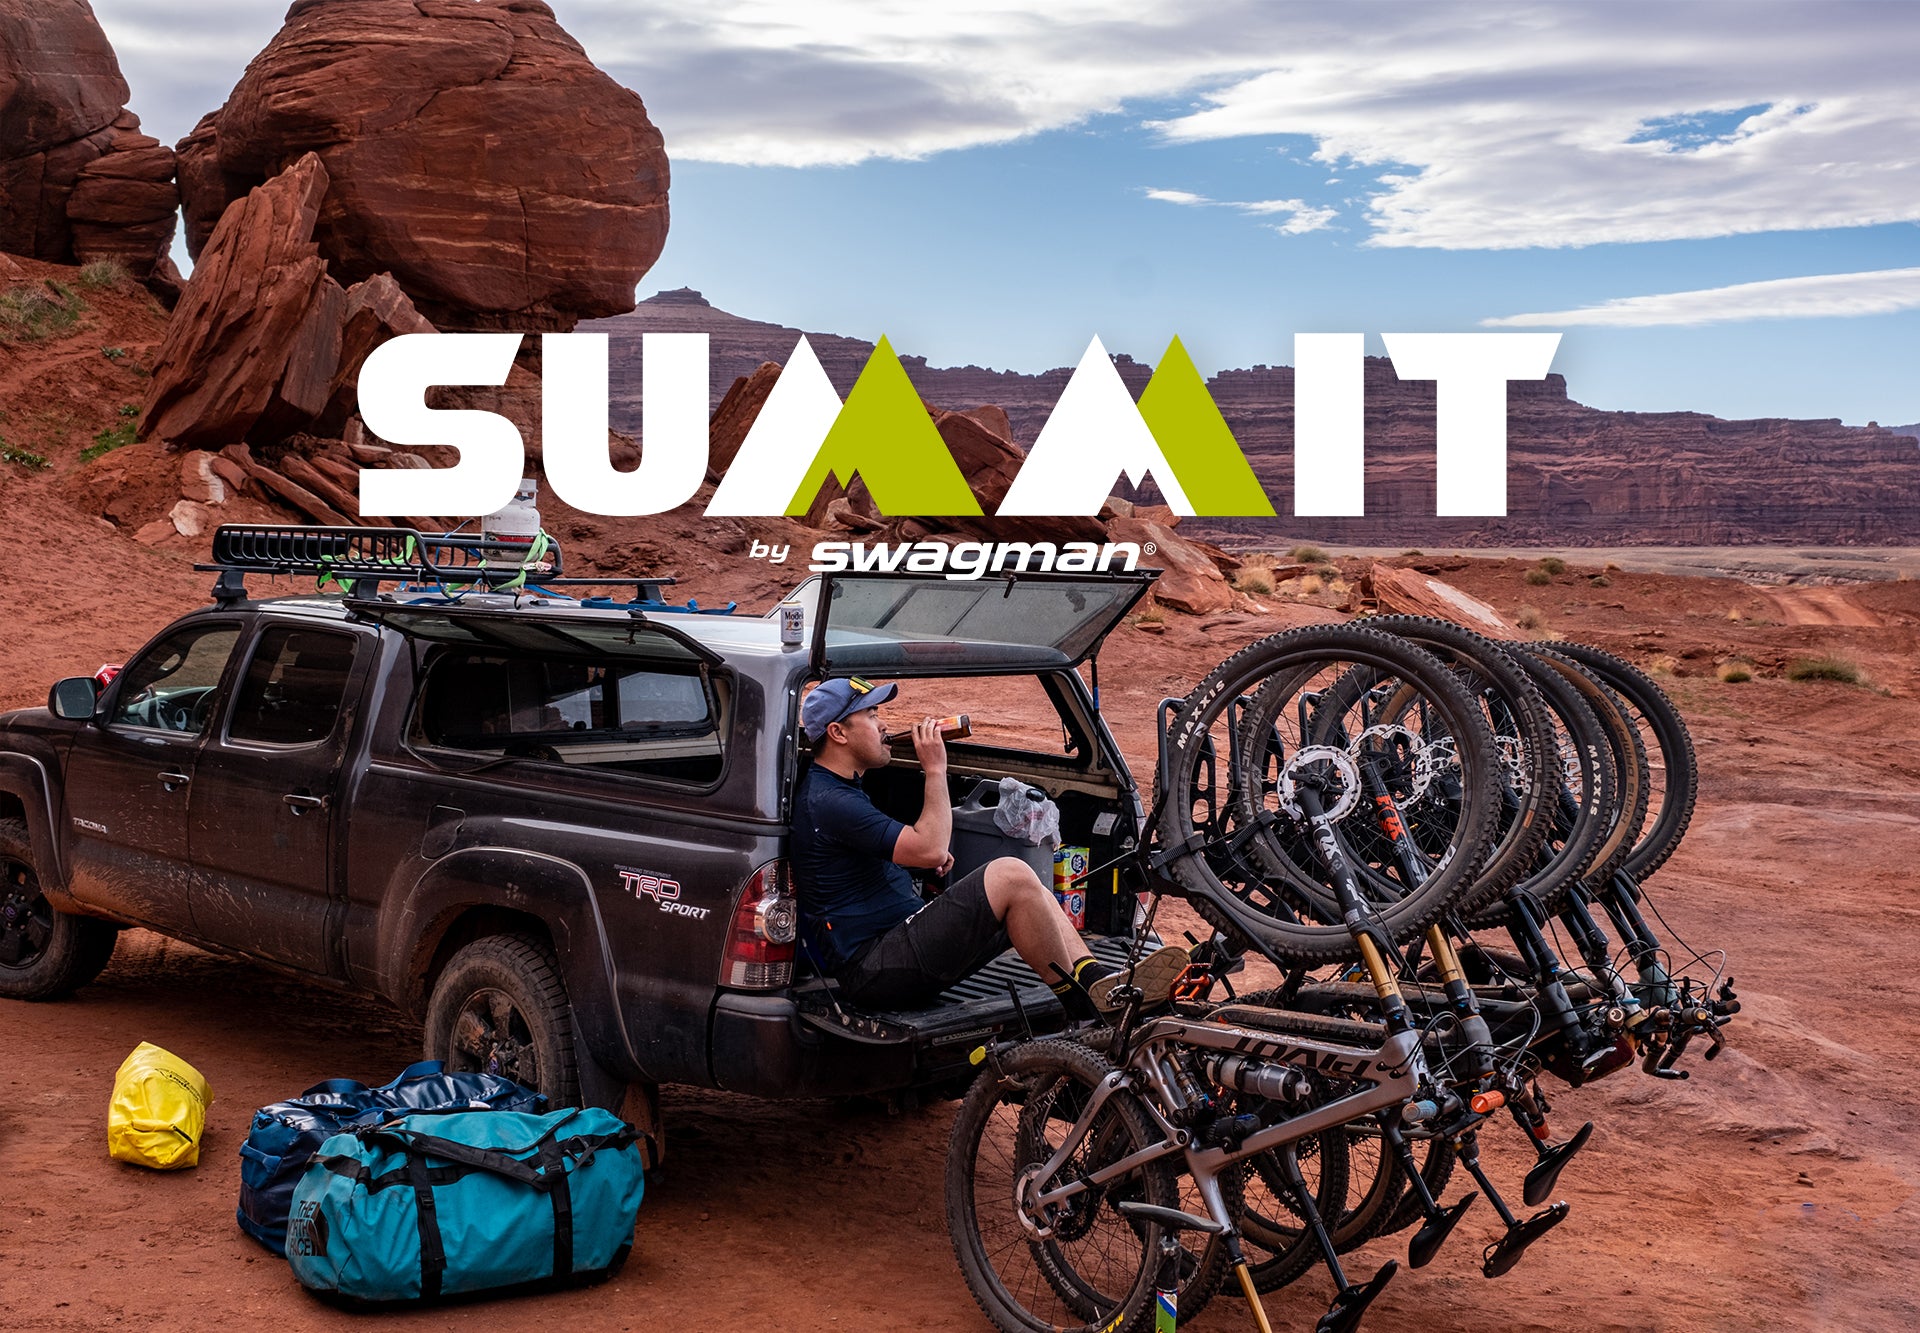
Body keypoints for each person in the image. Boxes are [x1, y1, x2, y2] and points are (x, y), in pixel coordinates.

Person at [790, 675, 1187, 1018]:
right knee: (1010, 873)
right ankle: (1080, 1004)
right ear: (838, 733)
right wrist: (935, 769)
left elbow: (884, 855)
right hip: (875, 969)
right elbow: (927, 846)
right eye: (871, 716)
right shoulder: (830, 799)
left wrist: (918, 861)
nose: (883, 725)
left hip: (897, 946)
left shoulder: (840, 789)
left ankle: (1095, 981)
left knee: (1029, 888)